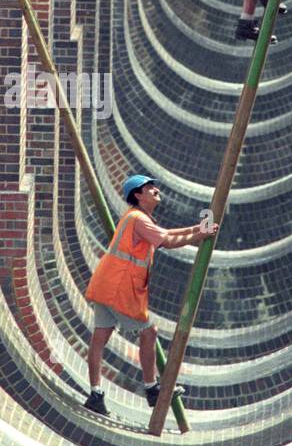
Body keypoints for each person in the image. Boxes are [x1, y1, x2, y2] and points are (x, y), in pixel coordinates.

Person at [83, 174, 218, 418]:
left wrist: (197, 229)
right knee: (149, 332)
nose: (155, 189)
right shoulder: (138, 218)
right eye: (149, 187)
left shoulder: (137, 218)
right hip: (120, 288)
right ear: (137, 194)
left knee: (99, 338)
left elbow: (164, 232)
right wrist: (201, 237)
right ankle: (151, 388)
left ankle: (95, 394)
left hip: (107, 283)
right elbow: (165, 240)